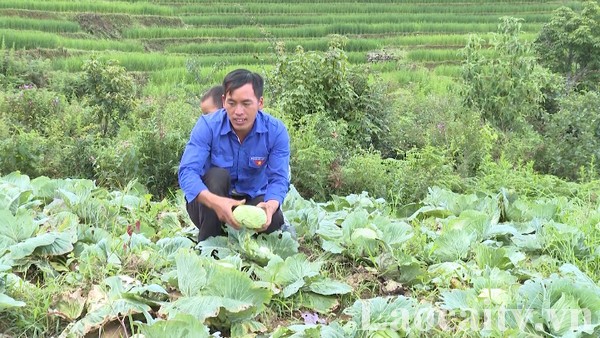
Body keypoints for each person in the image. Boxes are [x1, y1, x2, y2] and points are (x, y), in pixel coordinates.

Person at [179, 69, 291, 242]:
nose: (238, 111)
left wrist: (271, 205)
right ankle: (210, 246)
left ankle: (248, 247)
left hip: (251, 200)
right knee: (217, 176)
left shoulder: (276, 132)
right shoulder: (208, 126)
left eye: (246, 104)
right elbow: (187, 172)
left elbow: (279, 179)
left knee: (274, 220)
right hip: (209, 206)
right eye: (232, 103)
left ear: (260, 103)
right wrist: (216, 202)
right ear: (224, 101)